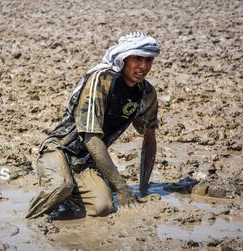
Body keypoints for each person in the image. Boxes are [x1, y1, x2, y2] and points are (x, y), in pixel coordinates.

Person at [26, 32, 160, 219]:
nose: (144, 66)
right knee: (61, 186)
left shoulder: (146, 93)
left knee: (103, 207)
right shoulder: (101, 79)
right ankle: (30, 218)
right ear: (124, 58)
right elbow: (91, 138)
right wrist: (121, 188)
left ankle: (72, 195)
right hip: (60, 149)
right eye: (137, 58)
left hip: (86, 161)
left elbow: (149, 138)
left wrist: (144, 188)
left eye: (149, 60)